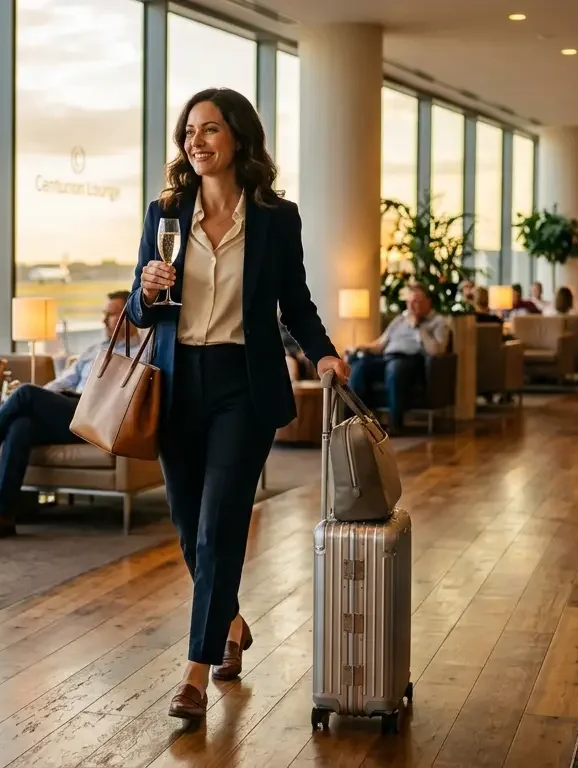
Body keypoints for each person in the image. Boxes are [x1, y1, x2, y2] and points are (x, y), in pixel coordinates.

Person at [128, 87, 346, 721]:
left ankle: (196, 671)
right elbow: (141, 312)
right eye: (189, 132)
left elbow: (295, 302)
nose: (196, 141)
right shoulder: (165, 211)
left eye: (210, 130)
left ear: (240, 139)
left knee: (221, 521)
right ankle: (230, 624)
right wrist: (145, 288)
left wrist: (324, 352)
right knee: (187, 521)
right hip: (177, 381)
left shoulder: (276, 218)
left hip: (242, 386)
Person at [0, 290, 138, 542]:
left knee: (24, 393)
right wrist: (36, 402)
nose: (103, 321)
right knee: (20, 425)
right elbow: (62, 382)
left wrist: (29, 398)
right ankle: (3, 516)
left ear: (128, 316)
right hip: (70, 410)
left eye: (110, 315)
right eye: (104, 314)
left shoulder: (140, 352)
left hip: (100, 417)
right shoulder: (93, 350)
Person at [347, 285, 451, 431]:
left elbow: (436, 351)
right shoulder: (399, 320)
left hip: (412, 362)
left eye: (416, 301)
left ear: (428, 302)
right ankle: (356, 420)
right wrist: (362, 347)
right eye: (409, 302)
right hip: (387, 358)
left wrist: (420, 328)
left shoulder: (438, 322)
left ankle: (395, 424)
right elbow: (380, 344)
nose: (411, 305)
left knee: (395, 368)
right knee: (360, 366)